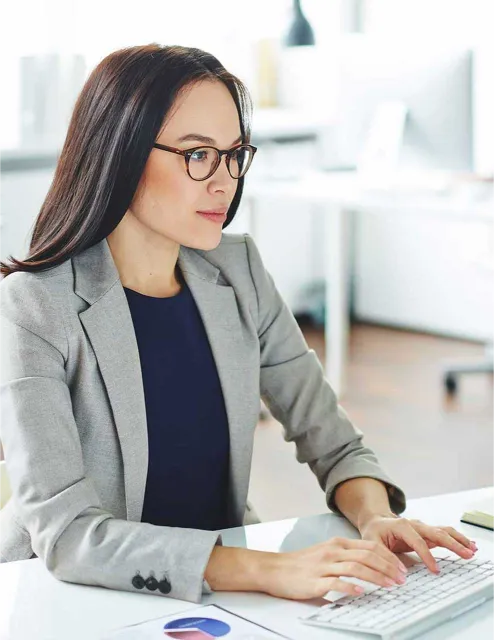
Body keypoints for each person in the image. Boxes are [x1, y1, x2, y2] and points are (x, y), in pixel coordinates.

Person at [0, 44, 476, 604]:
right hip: (67, 597)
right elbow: (68, 534)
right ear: (120, 154)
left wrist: (374, 516)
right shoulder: (34, 305)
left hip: (217, 594)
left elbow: (334, 441)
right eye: (198, 155)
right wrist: (269, 569)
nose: (224, 182)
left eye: (234, 155)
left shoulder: (238, 268)